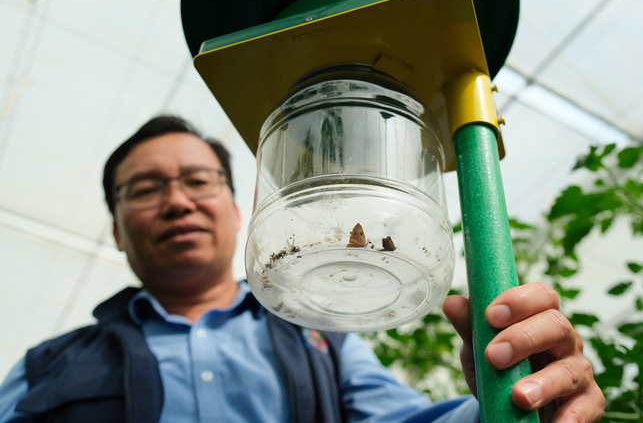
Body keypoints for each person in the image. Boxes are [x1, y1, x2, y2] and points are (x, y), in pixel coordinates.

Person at [0, 116, 605, 423]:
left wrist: (513, 402)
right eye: (147, 189)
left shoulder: (320, 341)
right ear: (115, 227)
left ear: (239, 212)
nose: (178, 201)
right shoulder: (46, 364)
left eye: (197, 181)